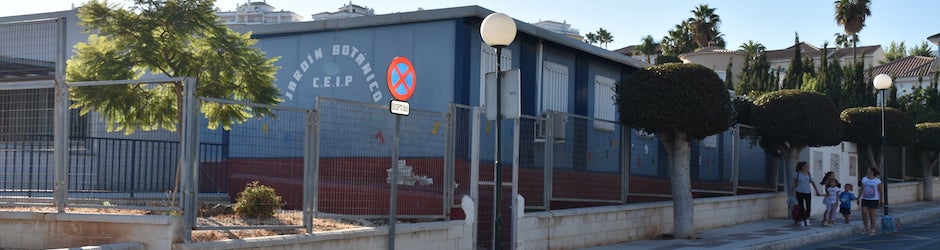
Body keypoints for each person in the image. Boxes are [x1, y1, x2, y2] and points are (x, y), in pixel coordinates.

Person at [792, 161, 822, 226]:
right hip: (799, 191)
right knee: (801, 206)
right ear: (802, 167)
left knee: (808, 206)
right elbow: (794, 183)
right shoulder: (797, 173)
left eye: (807, 166)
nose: (807, 167)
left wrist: (816, 190)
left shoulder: (808, 173)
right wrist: (793, 192)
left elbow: (812, 182)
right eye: (806, 166)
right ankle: (802, 219)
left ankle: (807, 218)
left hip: (807, 192)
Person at [858, 167, 883, 236]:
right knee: (864, 212)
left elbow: (880, 191)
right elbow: (861, 189)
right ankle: (865, 227)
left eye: (869, 171)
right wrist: (858, 198)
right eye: (867, 171)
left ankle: (872, 228)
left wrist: (881, 200)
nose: (867, 172)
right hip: (865, 199)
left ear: (872, 173)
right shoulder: (864, 179)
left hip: (874, 199)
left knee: (872, 214)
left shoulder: (877, 181)